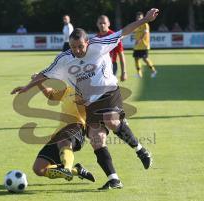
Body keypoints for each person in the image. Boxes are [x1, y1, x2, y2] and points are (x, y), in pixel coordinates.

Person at [11, 8, 158, 190]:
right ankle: (114, 179)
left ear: (87, 42)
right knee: (97, 140)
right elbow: (44, 74)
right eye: (73, 47)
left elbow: (125, 31)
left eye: (80, 46)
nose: (77, 51)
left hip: (108, 91)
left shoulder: (99, 44)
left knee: (110, 121)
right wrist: (26, 87)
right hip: (90, 102)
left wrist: (145, 19)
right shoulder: (65, 58)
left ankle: (141, 151)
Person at [28, 75, 95, 182]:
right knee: (39, 169)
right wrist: (39, 83)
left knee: (63, 141)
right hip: (59, 133)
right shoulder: (68, 90)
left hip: (77, 127)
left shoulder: (90, 93)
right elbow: (51, 95)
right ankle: (76, 170)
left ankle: (67, 168)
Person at [96, 15, 127, 81]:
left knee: (108, 86)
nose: (102, 25)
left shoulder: (114, 37)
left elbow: (121, 54)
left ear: (108, 24)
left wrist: (123, 72)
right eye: (100, 23)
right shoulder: (96, 38)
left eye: (104, 23)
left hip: (112, 65)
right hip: (99, 66)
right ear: (97, 24)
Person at [133, 11, 157, 78]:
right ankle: (139, 74)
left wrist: (139, 40)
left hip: (144, 45)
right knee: (136, 59)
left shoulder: (145, 24)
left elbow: (145, 33)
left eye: (140, 17)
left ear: (143, 17)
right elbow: (133, 32)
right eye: (138, 17)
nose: (139, 18)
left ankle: (153, 71)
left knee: (145, 59)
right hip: (137, 46)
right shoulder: (136, 25)